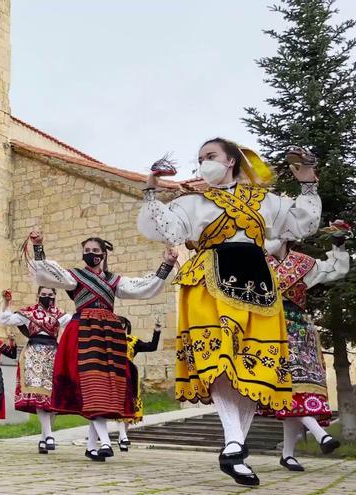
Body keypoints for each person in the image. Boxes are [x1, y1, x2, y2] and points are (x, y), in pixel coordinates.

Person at [137, 139, 321, 485]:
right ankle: (235, 443)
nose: (204, 162)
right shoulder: (192, 202)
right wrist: (151, 190)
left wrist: (308, 180)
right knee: (219, 360)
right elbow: (162, 228)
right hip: (209, 281)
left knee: (255, 368)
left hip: (258, 286)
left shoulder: (266, 201)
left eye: (211, 156)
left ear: (232, 161)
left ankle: (234, 449)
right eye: (200, 158)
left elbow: (303, 224)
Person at [29, 232, 176, 461]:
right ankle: (106, 442)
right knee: (93, 384)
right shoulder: (74, 277)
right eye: (87, 251)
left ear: (104, 254)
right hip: (84, 332)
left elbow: (143, 288)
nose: (90, 255)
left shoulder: (114, 281)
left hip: (109, 334)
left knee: (106, 388)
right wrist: (38, 246)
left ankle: (91, 446)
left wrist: (166, 264)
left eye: (95, 251)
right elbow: (48, 275)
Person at [260, 236, 349, 471]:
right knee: (288, 387)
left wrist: (338, 245)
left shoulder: (303, 263)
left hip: (300, 330)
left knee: (301, 386)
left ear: (286, 237)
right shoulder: (257, 263)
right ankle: (321, 436)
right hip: (271, 331)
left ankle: (288, 455)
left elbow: (335, 270)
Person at [0, 287, 70, 454]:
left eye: (50, 295)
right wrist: (7, 302)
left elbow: (75, 324)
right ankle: (50, 436)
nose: (47, 297)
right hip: (33, 355)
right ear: (38, 295)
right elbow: (6, 319)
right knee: (39, 394)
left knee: (51, 399)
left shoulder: (61, 314)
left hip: (53, 355)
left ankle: (44, 437)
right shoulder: (29, 313)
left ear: (55, 296)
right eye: (44, 294)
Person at [114, 317, 162, 452]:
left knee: (130, 404)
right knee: (120, 404)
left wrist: (157, 331)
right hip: (115, 374)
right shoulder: (109, 340)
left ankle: (122, 437)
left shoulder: (132, 341)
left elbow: (152, 347)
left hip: (130, 374)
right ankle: (122, 436)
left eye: (121, 325)